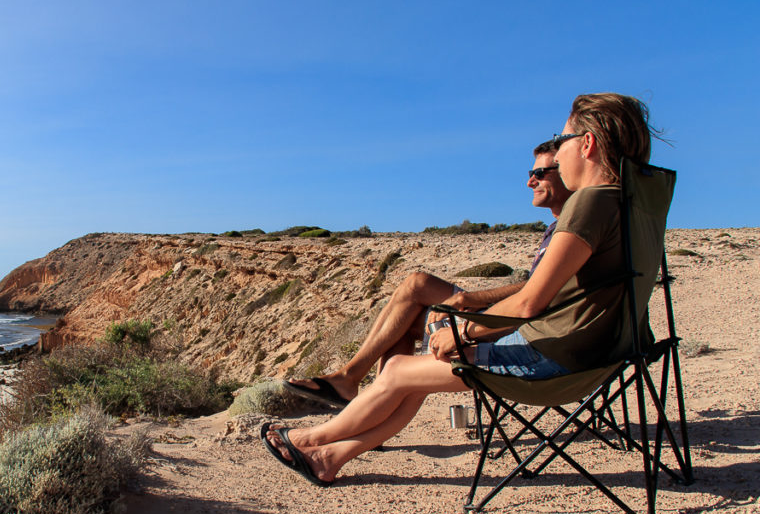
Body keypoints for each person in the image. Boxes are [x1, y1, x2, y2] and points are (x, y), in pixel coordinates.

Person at [263, 93, 655, 486]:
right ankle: (330, 456)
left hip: (553, 361)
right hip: (600, 354)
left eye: (564, 136)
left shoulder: (590, 204)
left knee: (400, 369)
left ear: (586, 144)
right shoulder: (632, 204)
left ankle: (311, 438)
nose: (560, 147)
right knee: (413, 369)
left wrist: (464, 332)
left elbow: (532, 302)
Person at [282, 140, 574, 409]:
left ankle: (359, 396)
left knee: (411, 306)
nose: (529, 181)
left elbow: (538, 293)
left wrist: (471, 299)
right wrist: (469, 298)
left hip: (524, 328)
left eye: (540, 172)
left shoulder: (575, 229)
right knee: (416, 285)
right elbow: (537, 283)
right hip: (521, 316)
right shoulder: (559, 226)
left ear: (567, 171)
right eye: (530, 172)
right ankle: (356, 390)